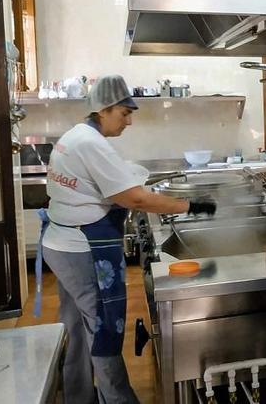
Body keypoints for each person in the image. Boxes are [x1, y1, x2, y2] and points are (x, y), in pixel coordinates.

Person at [38, 75, 215, 403]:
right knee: (103, 330)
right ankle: (118, 399)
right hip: (82, 250)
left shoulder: (76, 136)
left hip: (61, 245)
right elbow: (135, 199)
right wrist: (191, 206)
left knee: (76, 327)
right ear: (103, 110)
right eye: (124, 113)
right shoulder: (91, 144)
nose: (129, 121)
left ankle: (77, 396)